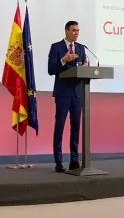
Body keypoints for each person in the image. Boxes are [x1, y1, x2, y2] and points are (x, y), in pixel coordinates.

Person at [47, 21, 87, 173]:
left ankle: (74, 161)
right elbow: (51, 69)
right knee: (60, 127)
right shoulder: (56, 47)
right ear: (66, 31)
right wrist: (63, 60)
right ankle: (58, 162)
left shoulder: (81, 48)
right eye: (74, 30)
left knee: (76, 128)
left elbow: (82, 67)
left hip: (77, 93)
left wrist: (85, 68)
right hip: (63, 93)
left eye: (78, 30)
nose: (76, 33)